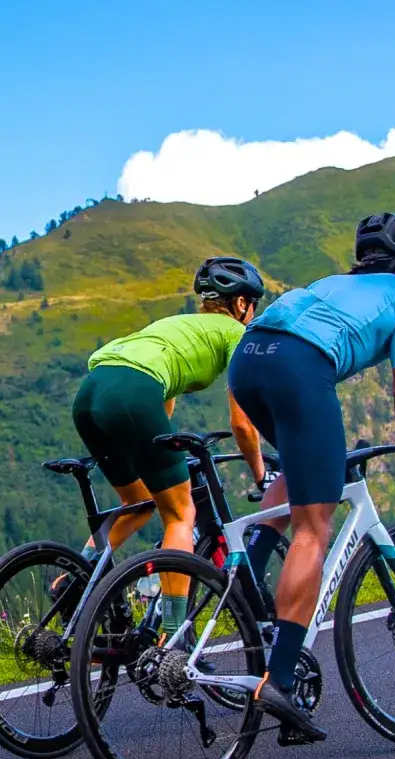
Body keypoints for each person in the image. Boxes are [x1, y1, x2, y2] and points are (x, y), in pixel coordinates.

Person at [227, 213, 395, 744]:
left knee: (297, 477)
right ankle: (280, 679)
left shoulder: (336, 283)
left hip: (250, 358)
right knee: (315, 525)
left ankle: (244, 582)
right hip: (299, 368)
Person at [68, 257, 271, 641]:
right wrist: (260, 473)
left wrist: (167, 457)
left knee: (138, 504)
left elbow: (163, 406)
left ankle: (77, 574)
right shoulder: (237, 335)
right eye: (253, 304)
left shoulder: (177, 327)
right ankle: (176, 635)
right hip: (132, 395)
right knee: (180, 513)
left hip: (91, 393)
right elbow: (242, 423)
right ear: (242, 304)